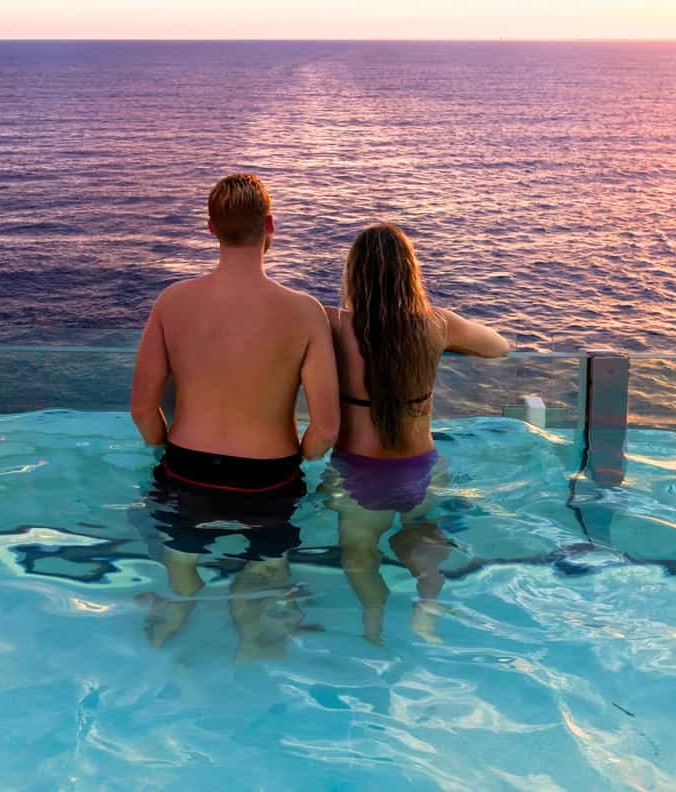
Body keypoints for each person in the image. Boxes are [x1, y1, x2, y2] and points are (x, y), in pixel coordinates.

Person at [130, 173, 340, 657]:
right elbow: (325, 429)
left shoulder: (172, 302)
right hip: (268, 480)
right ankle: (251, 644)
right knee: (265, 579)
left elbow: (142, 409)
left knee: (181, 569)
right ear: (271, 225)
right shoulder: (304, 312)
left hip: (185, 469)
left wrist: (164, 445)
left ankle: (177, 614)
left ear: (210, 228)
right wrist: (299, 456)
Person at [324, 223, 508, 643]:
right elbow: (500, 347)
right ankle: (426, 607)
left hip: (358, 473)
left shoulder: (334, 324)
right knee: (424, 539)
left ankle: (373, 621)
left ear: (354, 274)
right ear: (411, 272)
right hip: (421, 469)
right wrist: (446, 344)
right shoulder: (435, 325)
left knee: (359, 555)